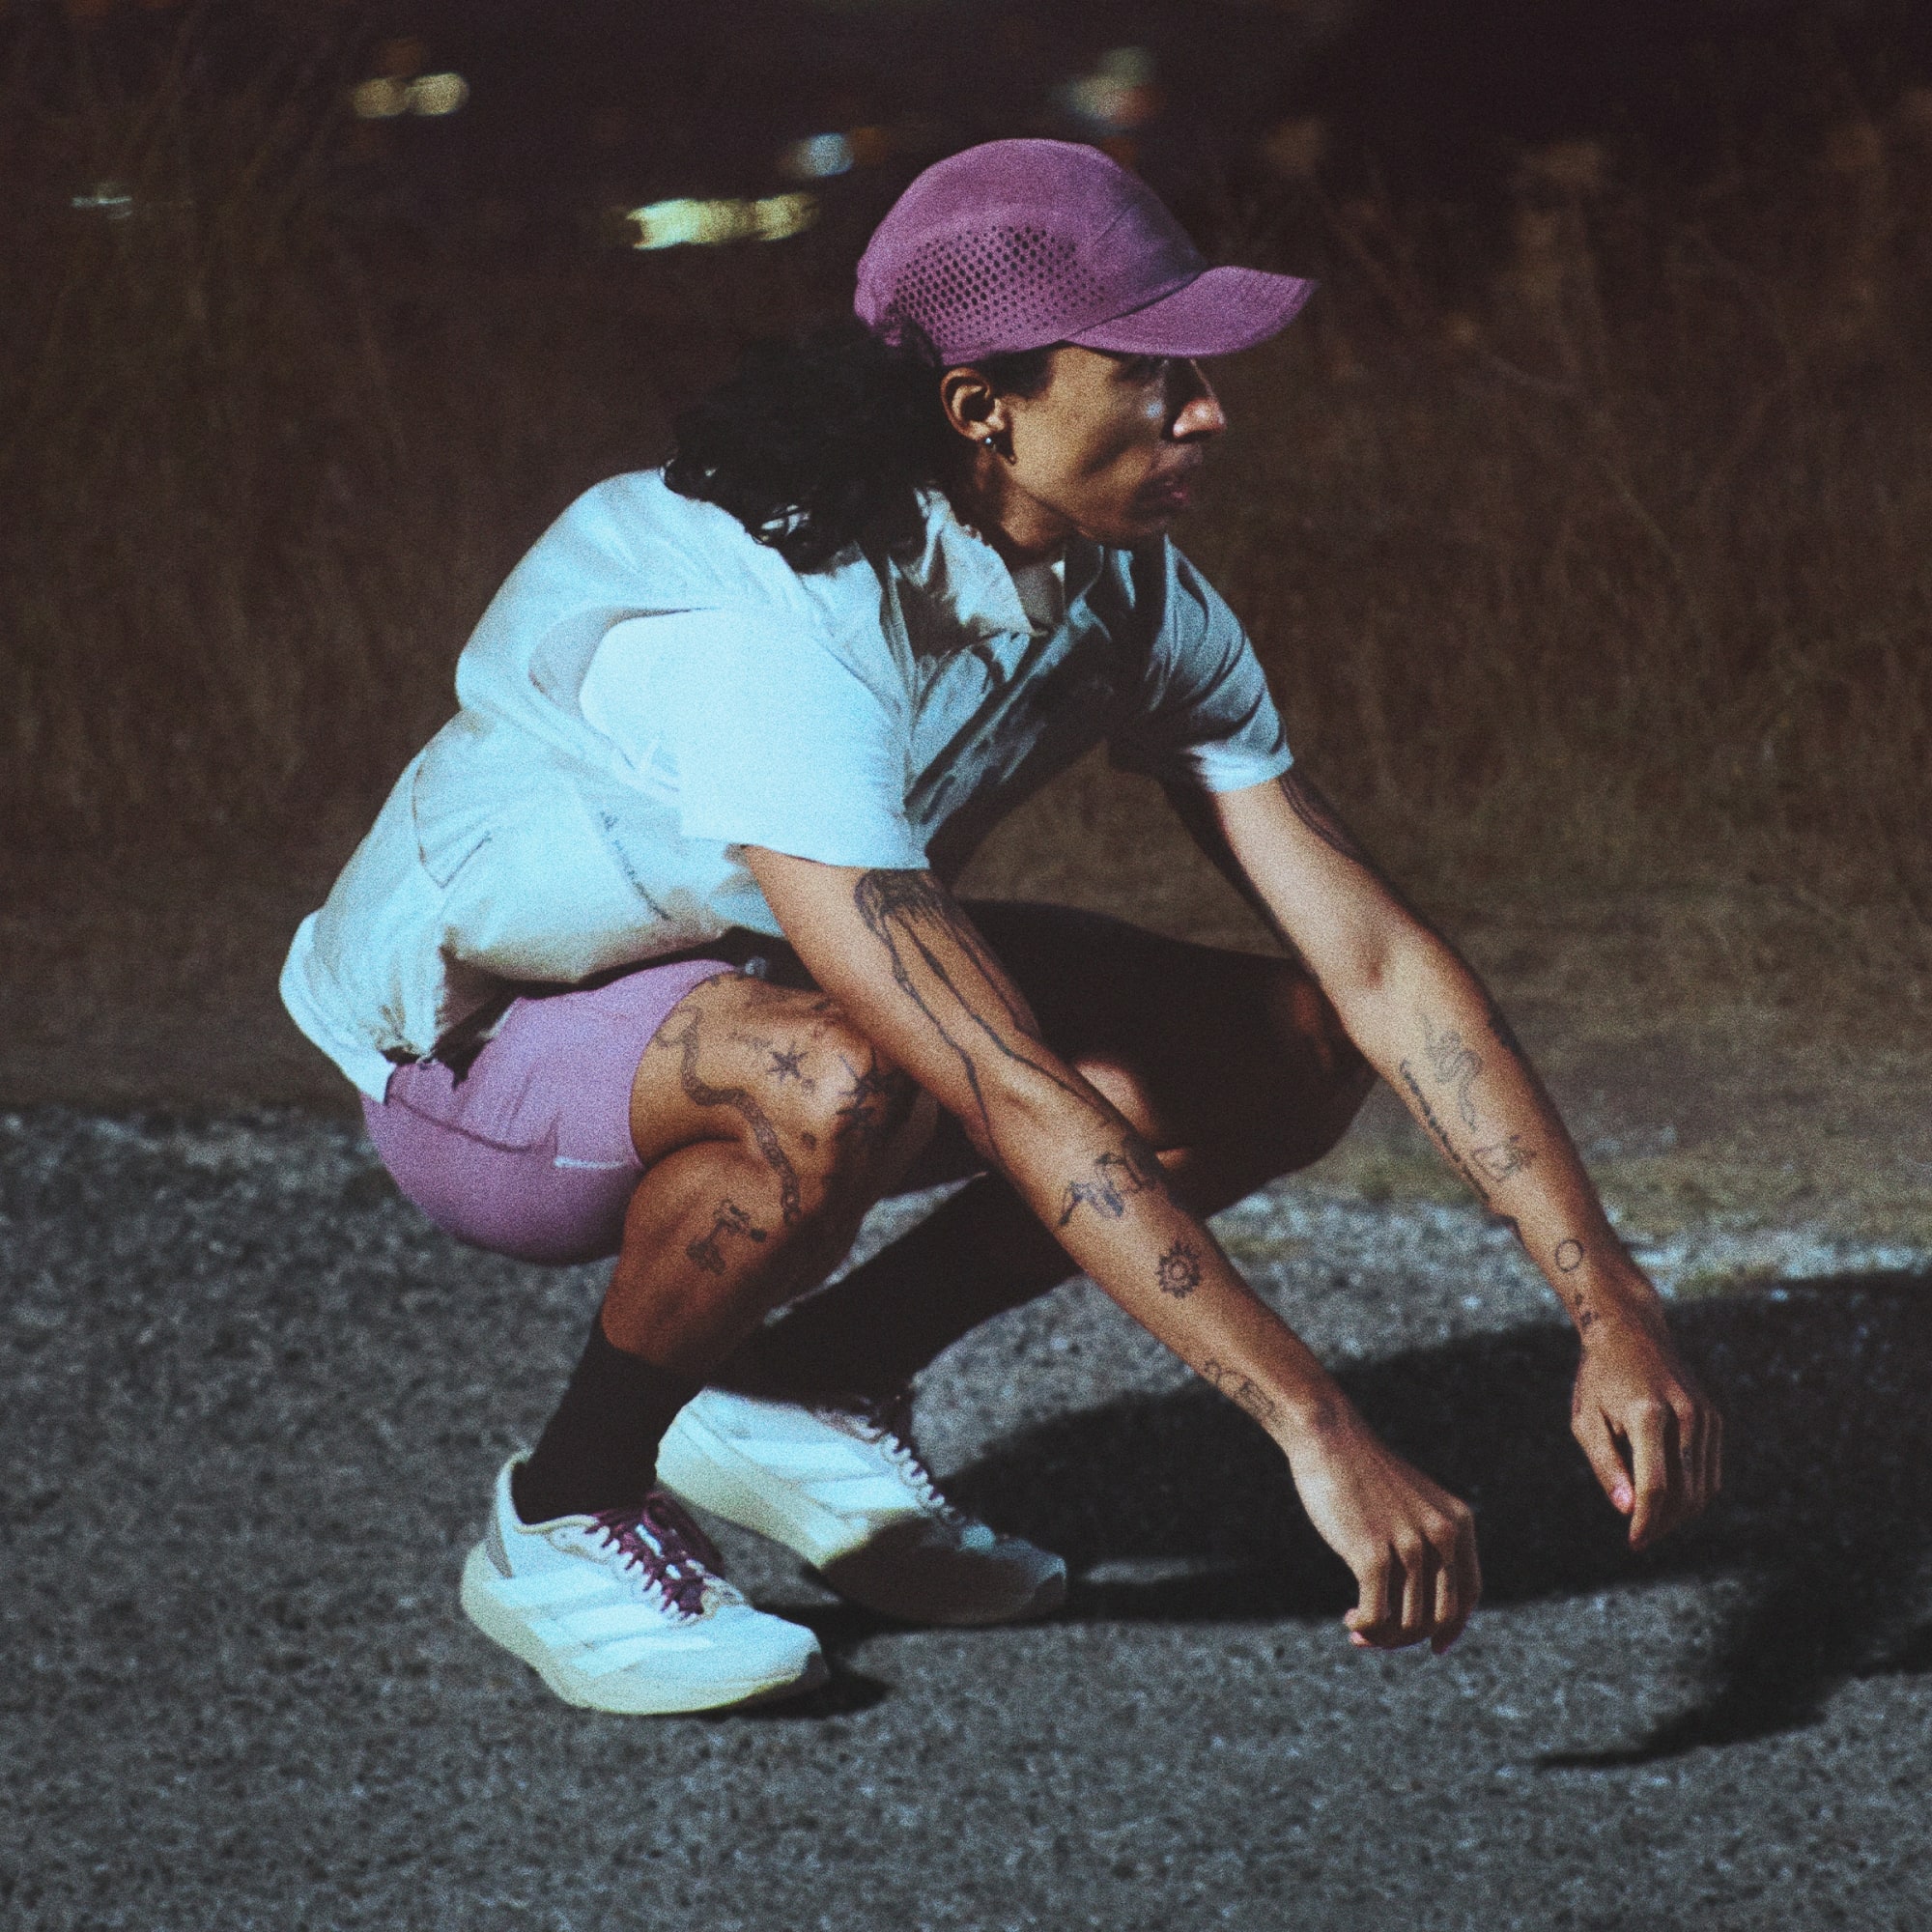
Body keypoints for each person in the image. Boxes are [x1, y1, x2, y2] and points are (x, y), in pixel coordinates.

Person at [282, 139, 1720, 1716]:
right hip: (483, 1062)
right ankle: (564, 1509)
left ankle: (798, 1389)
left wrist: (1612, 1303)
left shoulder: (1129, 587)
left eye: (1200, 370)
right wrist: (1319, 1429)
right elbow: (1002, 1081)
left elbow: (1372, 962)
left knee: (1290, 1046)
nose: (1208, 412)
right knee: (842, 1077)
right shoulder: (777, 626)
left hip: (776, 980)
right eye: (1152, 375)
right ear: (984, 408)